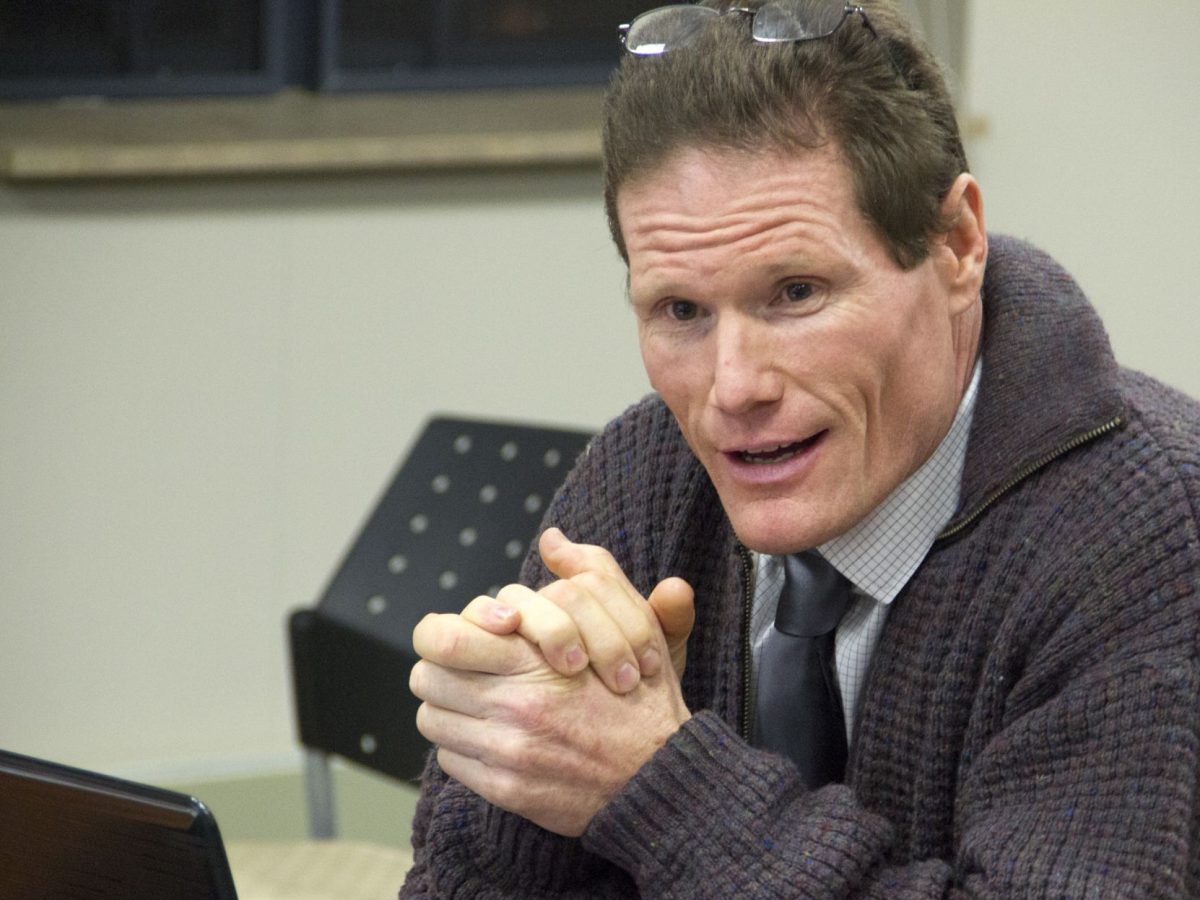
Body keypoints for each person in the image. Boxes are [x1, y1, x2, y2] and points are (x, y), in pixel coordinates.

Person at [402, 0, 1200, 895]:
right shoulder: (649, 472)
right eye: (681, 310)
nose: (733, 387)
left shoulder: (1145, 536)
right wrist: (534, 771)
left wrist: (658, 785)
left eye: (795, 292)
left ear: (957, 245)